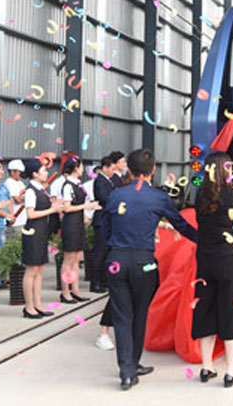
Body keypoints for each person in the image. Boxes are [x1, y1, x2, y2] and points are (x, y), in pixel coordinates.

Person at [101, 148, 197, 390]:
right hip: (144, 261)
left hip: (116, 260)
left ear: (129, 171)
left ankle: (126, 370)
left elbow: (103, 228)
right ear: (153, 170)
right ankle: (133, 363)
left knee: (122, 316)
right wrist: (205, 239)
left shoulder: (115, 195)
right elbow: (181, 226)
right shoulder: (158, 197)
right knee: (140, 313)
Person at [192, 153, 233, 387]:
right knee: (232, 309)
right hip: (229, 259)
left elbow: (223, 200)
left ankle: (206, 367)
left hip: (205, 259)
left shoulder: (200, 194)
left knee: (206, 308)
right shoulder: (230, 195)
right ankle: (231, 372)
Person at [21, 159, 63, 319]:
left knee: (39, 270)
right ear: (34, 174)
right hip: (33, 232)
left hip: (41, 231)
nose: (46, 173)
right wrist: (52, 209)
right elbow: (30, 214)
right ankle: (29, 306)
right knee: (31, 270)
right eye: (43, 171)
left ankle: (38, 303)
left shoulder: (41, 189)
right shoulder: (31, 191)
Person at [59, 157, 100, 304]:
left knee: (76, 258)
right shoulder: (67, 185)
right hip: (70, 223)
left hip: (78, 222)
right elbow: (67, 207)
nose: (83, 169)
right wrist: (85, 207)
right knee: (68, 259)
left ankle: (75, 289)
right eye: (81, 166)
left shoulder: (77, 184)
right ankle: (65, 291)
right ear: (76, 168)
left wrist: (85, 215)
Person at [93, 156, 117, 351]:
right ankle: (96, 281)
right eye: (112, 168)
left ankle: (102, 279)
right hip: (102, 220)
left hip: (109, 221)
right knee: (99, 253)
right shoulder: (99, 181)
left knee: (105, 253)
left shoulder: (111, 180)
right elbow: (105, 199)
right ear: (105, 167)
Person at [4, 159, 27, 230]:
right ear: (12, 172)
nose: (21, 174)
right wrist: (28, 198)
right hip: (16, 221)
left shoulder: (21, 183)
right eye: (19, 172)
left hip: (23, 219)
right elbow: (18, 200)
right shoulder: (9, 182)